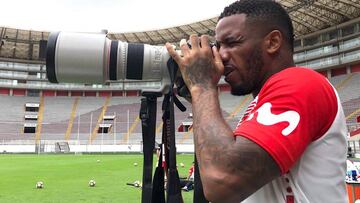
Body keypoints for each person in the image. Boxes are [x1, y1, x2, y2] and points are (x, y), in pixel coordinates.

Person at [165, 0, 348, 202]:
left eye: (232, 43)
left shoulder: (300, 82)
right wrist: (198, 98)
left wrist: (202, 86)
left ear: (273, 42)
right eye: (218, 45)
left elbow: (221, 181)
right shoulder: (261, 103)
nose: (221, 55)